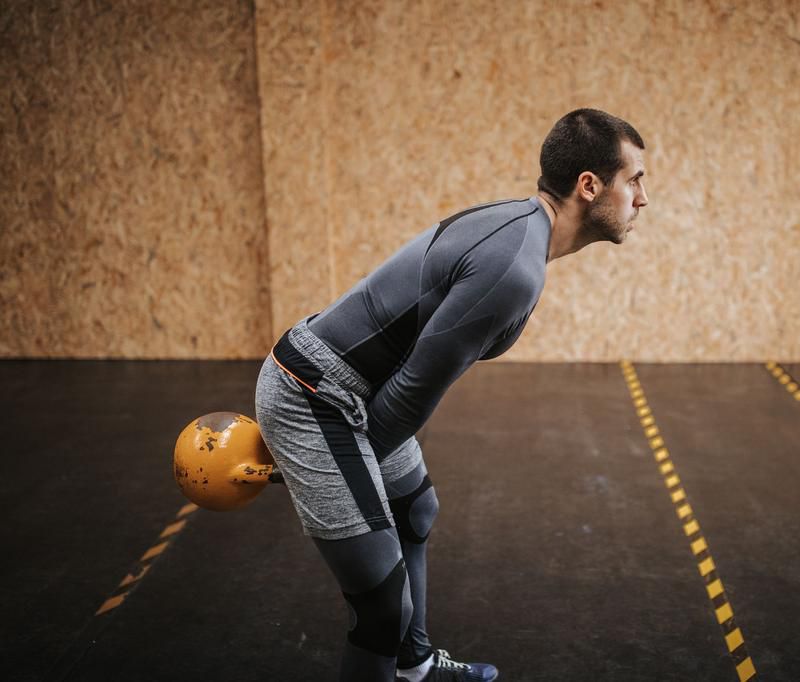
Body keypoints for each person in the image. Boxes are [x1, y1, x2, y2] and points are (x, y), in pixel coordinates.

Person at [254, 108, 649, 682]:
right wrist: (315, 468)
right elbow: (409, 396)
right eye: (634, 180)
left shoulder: (521, 227)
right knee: (382, 605)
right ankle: (397, 653)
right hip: (313, 395)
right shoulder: (513, 267)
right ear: (589, 185)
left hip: (354, 389)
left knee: (414, 508)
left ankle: (413, 669)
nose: (642, 198)